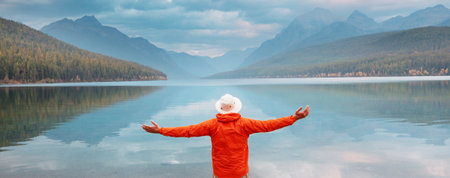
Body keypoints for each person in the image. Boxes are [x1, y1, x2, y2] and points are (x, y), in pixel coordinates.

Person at [142, 94, 310, 178]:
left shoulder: (211, 125)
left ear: (220, 108)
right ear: (235, 107)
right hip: (240, 173)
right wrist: (294, 118)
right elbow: (268, 125)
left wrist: (161, 130)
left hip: (220, 174)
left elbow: (187, 131)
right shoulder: (245, 124)